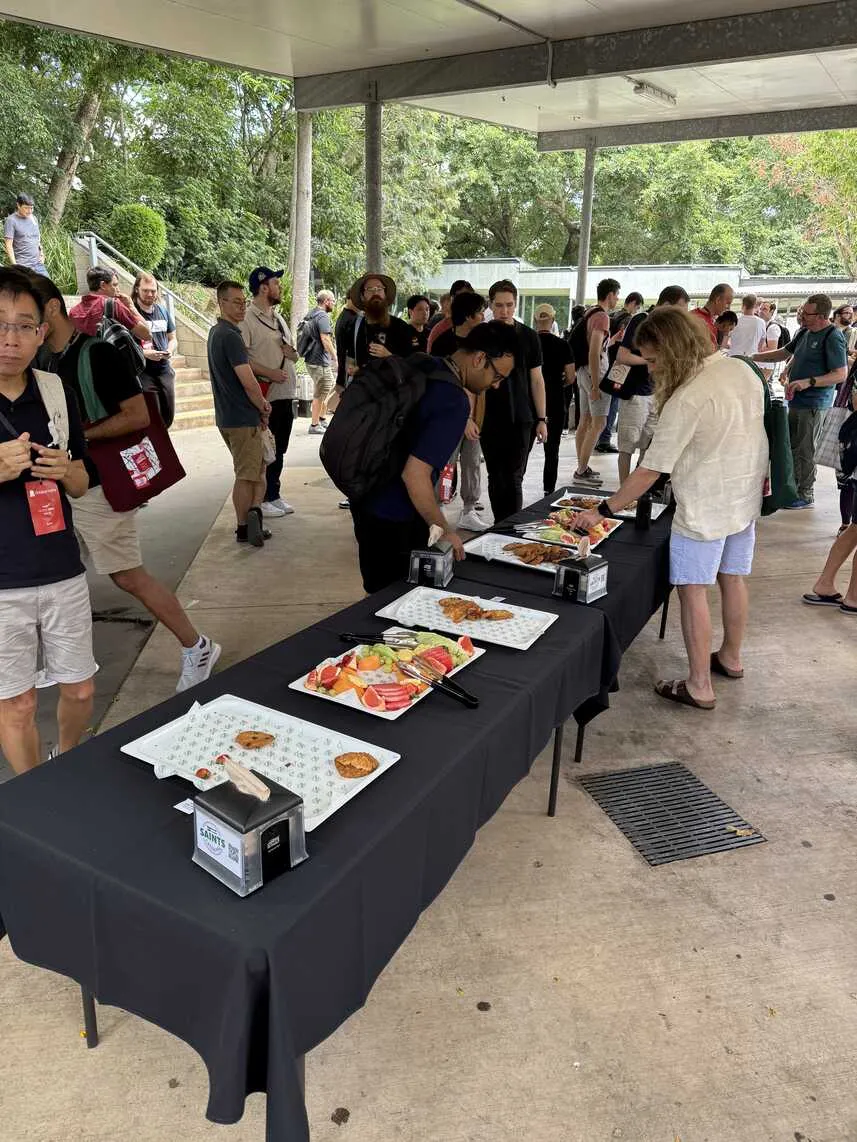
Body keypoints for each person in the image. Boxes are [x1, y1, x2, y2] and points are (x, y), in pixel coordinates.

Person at [571, 307, 768, 711]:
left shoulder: (688, 396)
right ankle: (731, 657)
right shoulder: (741, 369)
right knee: (733, 578)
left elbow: (649, 470)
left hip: (704, 504)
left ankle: (699, 685)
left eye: (654, 359)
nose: (651, 368)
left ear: (673, 349)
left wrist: (602, 510)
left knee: (693, 589)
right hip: (743, 495)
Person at [34, 274, 221, 693]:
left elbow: (138, 415)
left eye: (24, 316)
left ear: (50, 308)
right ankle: (65, 660)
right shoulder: (46, 359)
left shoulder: (98, 353)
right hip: (62, 486)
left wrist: (79, 438)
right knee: (59, 575)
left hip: (99, 488)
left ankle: (198, 646)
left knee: (128, 576)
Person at [0, 268, 95, 773]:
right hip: (2, 584)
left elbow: (81, 481)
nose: (10, 339)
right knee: (17, 704)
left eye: (23, 326)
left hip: (61, 568)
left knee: (80, 689)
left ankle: (66, 762)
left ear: (41, 333)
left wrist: (66, 470)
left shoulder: (56, 392)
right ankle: (32, 790)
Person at [350, 321, 518, 593]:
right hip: (398, 514)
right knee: (399, 598)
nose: (496, 386)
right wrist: (442, 528)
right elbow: (414, 474)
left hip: (366, 495)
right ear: (479, 359)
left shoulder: (423, 363)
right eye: (497, 376)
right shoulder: (453, 401)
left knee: (376, 593)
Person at [753, 292, 848, 509]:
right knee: (792, 446)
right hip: (795, 401)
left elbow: (840, 374)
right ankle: (792, 489)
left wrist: (809, 382)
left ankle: (805, 493)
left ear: (822, 316)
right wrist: (754, 357)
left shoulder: (832, 337)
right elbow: (784, 352)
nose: (802, 316)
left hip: (814, 404)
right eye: (802, 312)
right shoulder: (804, 332)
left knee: (806, 450)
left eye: (807, 313)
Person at [207, 280, 272, 546]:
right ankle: (244, 526)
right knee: (247, 474)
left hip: (228, 416)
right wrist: (263, 406)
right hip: (242, 418)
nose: (242, 307)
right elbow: (248, 380)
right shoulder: (231, 336)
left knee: (256, 469)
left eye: (243, 302)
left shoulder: (216, 332)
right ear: (221, 303)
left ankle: (253, 515)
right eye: (235, 302)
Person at [479, 279, 548, 522]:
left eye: (509, 305)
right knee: (495, 475)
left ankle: (510, 528)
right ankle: (499, 525)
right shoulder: (481, 335)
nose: (504, 311)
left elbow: (537, 380)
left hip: (521, 415)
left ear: (516, 304)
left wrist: (542, 419)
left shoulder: (529, 336)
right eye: (499, 305)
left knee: (514, 476)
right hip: (488, 416)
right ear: (490, 305)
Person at [613, 284, 689, 483]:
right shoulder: (641, 320)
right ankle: (624, 488)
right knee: (627, 446)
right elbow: (622, 355)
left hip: (657, 393)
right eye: (679, 310)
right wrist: (651, 361)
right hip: (635, 393)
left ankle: (639, 489)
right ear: (666, 304)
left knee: (650, 446)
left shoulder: (670, 328)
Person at [239, 267, 298, 519]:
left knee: (279, 449)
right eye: (276, 283)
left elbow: (292, 353)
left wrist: (292, 354)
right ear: (263, 287)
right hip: (265, 396)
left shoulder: (278, 318)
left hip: (285, 394)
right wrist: (269, 372)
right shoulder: (247, 319)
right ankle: (261, 499)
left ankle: (273, 494)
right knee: (264, 451)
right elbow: (242, 359)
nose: (280, 287)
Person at [430, 290, 488, 530]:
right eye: (480, 313)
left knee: (473, 462)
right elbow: (441, 384)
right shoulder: (443, 343)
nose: (483, 317)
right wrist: (462, 418)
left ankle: (469, 510)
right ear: (468, 315)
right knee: (446, 463)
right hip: (448, 416)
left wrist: (472, 417)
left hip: (475, 415)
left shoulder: (482, 342)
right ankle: (439, 507)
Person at [572, 277, 621, 484]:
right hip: (596, 375)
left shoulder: (590, 312)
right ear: (610, 295)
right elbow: (594, 351)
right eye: (617, 295)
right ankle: (581, 471)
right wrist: (595, 385)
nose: (617, 299)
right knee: (599, 423)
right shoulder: (602, 317)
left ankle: (582, 466)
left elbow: (597, 346)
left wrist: (613, 340)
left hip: (583, 372)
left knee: (584, 421)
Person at [595, 291, 645, 455]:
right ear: (634, 303)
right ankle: (605, 439)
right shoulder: (628, 319)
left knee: (608, 404)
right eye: (637, 306)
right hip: (623, 367)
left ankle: (602, 438)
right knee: (613, 404)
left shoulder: (613, 316)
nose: (637, 310)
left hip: (610, 363)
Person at [534, 303, 574, 495]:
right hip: (555, 401)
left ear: (536, 320)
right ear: (553, 320)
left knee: (522, 452)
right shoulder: (562, 345)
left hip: (530, 402)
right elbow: (571, 376)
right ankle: (548, 491)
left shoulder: (529, 342)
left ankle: (516, 490)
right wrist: (559, 383)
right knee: (552, 451)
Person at [132, 272, 178, 428]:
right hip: (143, 372)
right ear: (137, 289)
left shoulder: (163, 311)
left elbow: (173, 338)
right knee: (153, 417)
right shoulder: (130, 313)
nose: (150, 294)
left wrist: (170, 350)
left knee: (168, 415)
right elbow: (124, 347)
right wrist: (145, 353)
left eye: (153, 291)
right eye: (145, 290)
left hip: (164, 370)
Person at [349, 273, 417, 367]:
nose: (375, 293)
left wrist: (388, 356)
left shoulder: (401, 327)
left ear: (385, 294)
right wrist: (354, 369)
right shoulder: (355, 327)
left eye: (379, 288)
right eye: (369, 289)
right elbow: (351, 359)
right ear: (362, 296)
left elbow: (410, 366)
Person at [69, 266, 151, 342]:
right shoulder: (113, 305)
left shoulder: (73, 312)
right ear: (103, 285)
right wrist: (131, 307)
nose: (118, 289)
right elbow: (147, 335)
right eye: (114, 285)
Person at [300, 289, 337, 434]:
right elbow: (325, 339)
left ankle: (321, 419)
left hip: (312, 359)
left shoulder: (312, 313)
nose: (334, 303)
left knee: (326, 386)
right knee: (321, 391)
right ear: (326, 301)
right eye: (333, 301)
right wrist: (335, 357)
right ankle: (314, 425)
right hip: (319, 360)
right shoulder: (322, 316)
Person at [4, 194, 47, 276]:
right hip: (23, 266)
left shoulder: (34, 218)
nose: (30, 211)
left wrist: (42, 254)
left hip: (38, 264)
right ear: (18, 205)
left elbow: (37, 238)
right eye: (26, 208)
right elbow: (8, 245)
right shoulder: (11, 221)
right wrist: (15, 266)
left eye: (31, 208)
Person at [426, 279, 474, 352]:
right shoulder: (440, 329)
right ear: (452, 299)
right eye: (459, 297)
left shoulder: (479, 327)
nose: (463, 302)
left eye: (467, 298)